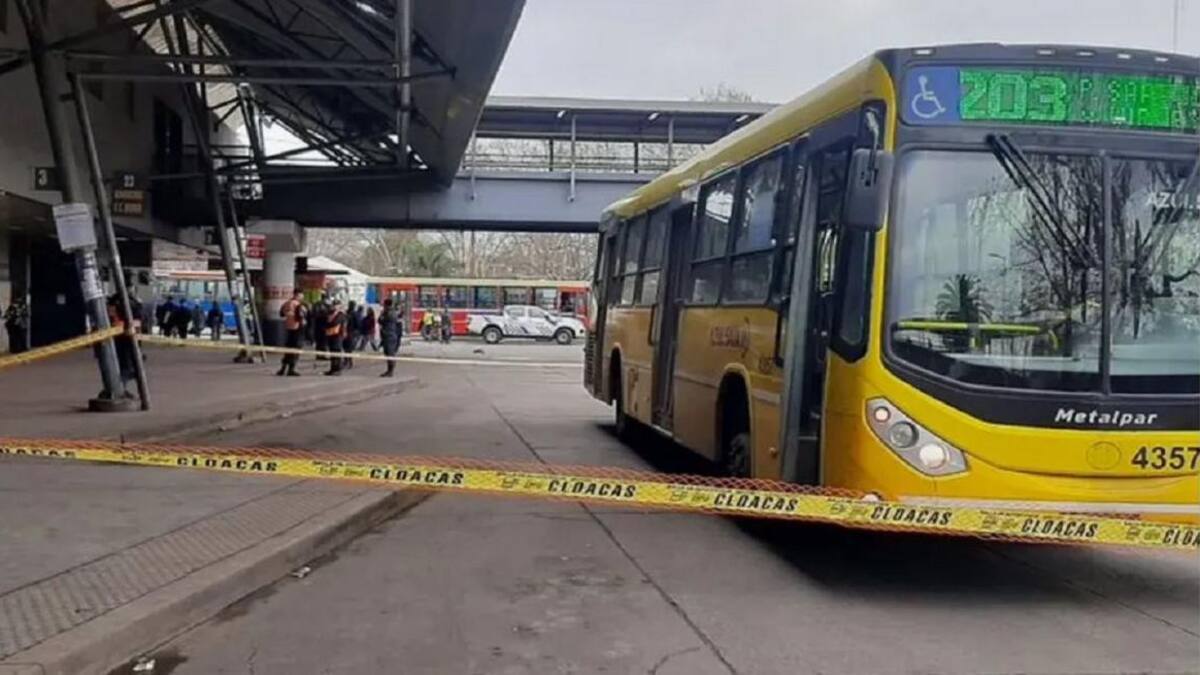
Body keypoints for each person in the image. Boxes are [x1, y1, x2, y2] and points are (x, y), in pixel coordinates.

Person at [277, 290, 306, 377]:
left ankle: (283, 369)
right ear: (297, 295)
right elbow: (300, 316)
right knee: (296, 350)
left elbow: (281, 314)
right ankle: (291, 369)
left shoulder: (286, 303)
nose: (302, 297)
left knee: (288, 350)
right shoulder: (298, 305)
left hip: (288, 328)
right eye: (301, 296)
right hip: (297, 329)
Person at [378, 299, 401, 377]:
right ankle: (390, 370)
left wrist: (381, 314)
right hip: (391, 335)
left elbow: (380, 321)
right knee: (390, 353)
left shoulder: (388, 313)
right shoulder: (394, 312)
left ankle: (390, 371)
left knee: (390, 353)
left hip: (388, 335)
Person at [324, 299, 346, 376]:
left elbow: (334, 322)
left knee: (337, 352)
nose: (334, 306)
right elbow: (326, 322)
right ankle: (332, 369)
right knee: (332, 353)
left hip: (338, 336)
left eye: (336, 305)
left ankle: (338, 369)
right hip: (330, 335)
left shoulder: (341, 314)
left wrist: (329, 321)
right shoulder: (330, 313)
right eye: (333, 305)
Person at [342, 300, 360, 369]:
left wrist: (355, 331)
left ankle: (349, 361)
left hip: (351, 332)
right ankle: (347, 361)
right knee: (346, 347)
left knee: (348, 348)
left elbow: (357, 324)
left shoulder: (353, 314)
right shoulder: (348, 313)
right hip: (347, 332)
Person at [312, 294, 329, 359]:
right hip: (324, 325)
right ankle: (322, 355)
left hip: (317, 325)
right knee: (323, 341)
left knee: (318, 341)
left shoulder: (316, 304)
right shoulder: (326, 306)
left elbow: (313, 314)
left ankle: (318, 355)